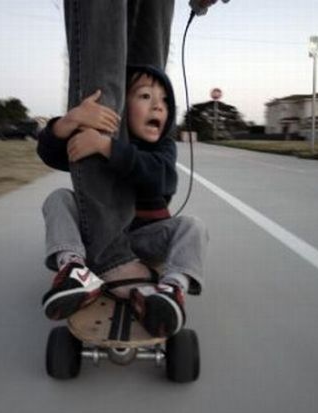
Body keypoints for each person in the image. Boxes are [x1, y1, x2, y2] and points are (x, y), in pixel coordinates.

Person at [38, 65, 209, 337]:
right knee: (58, 199)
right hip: (98, 237)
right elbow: (51, 153)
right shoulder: (97, 138)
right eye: (145, 96)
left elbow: (163, 177)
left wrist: (107, 148)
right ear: (120, 106)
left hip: (145, 238)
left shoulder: (162, 147)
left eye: (165, 100)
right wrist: (70, 121)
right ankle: (75, 269)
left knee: (193, 226)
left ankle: (172, 288)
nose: (158, 106)